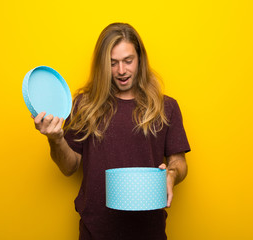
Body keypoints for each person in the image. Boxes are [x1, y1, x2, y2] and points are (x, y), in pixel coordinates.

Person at [32, 23, 190, 240]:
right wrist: (56, 139)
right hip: (95, 231)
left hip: (149, 231)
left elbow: (179, 162)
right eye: (112, 63)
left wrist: (171, 174)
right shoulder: (83, 105)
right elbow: (70, 167)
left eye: (128, 61)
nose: (121, 71)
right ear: (102, 65)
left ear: (140, 59)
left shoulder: (166, 107)